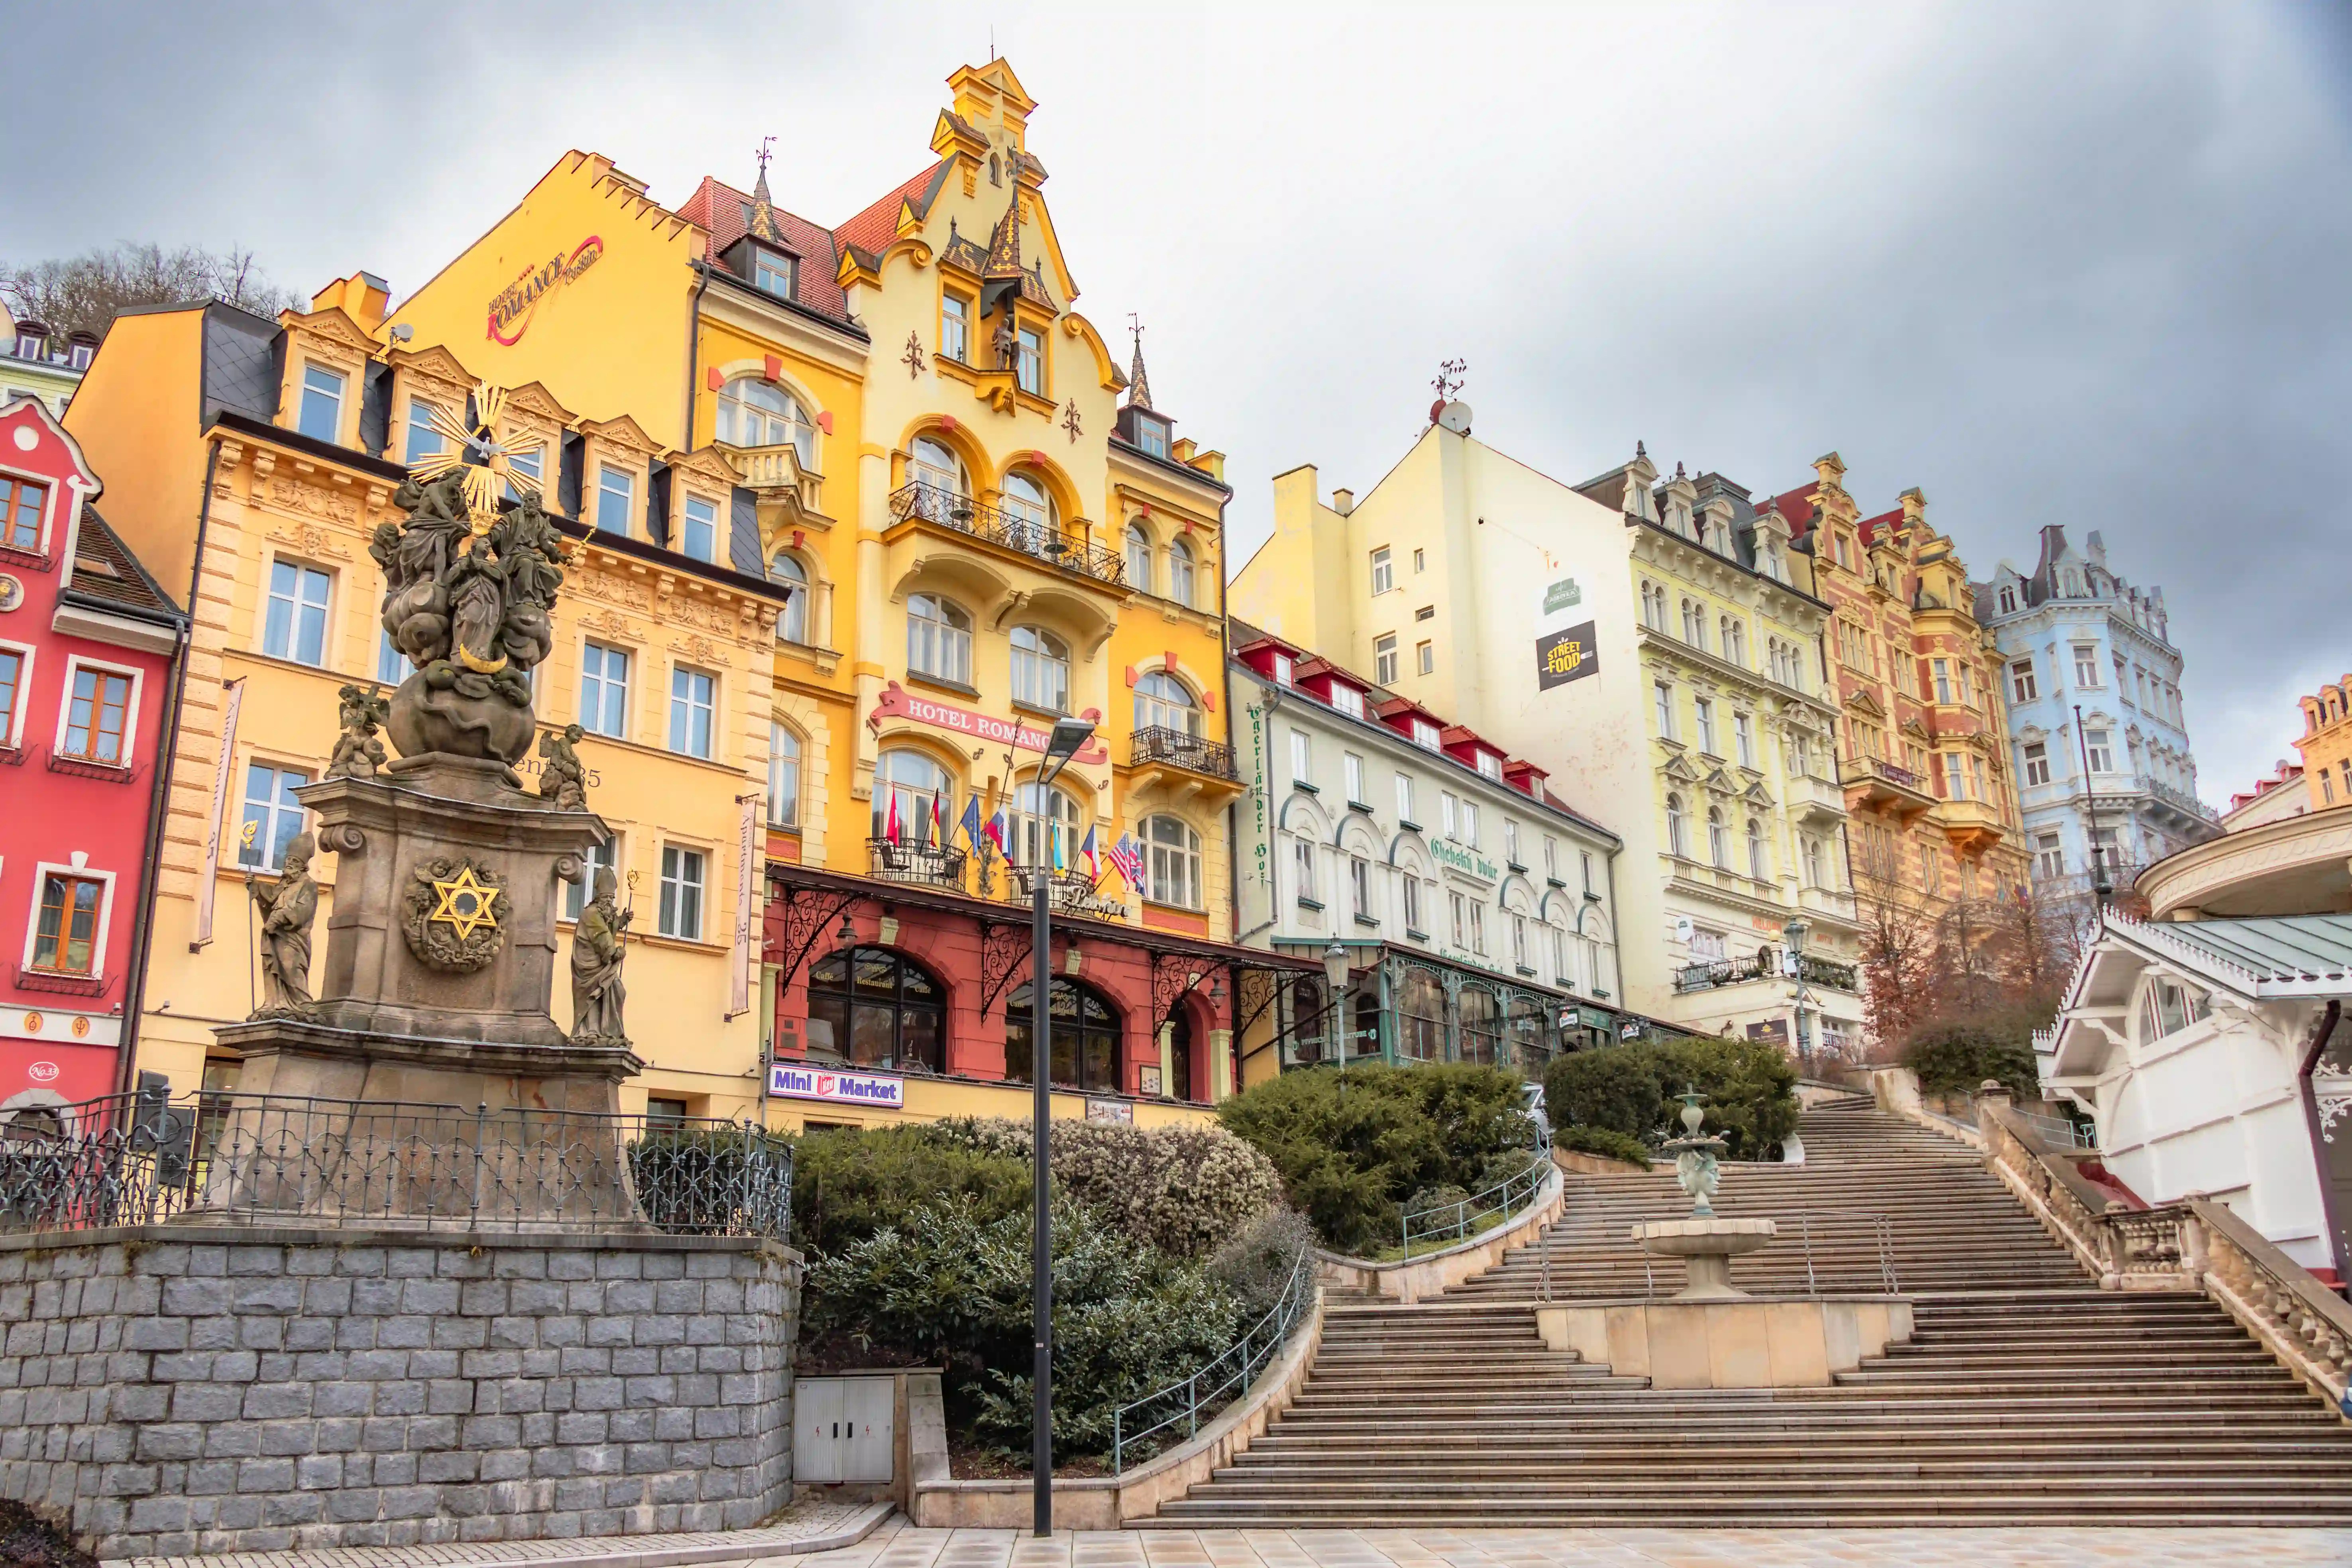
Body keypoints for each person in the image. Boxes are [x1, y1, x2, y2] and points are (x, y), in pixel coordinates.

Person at [248, 833, 319, 1017]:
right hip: (275, 936)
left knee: (292, 966)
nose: (289, 864)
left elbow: (303, 911)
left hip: (293, 937)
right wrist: (256, 886)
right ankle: (274, 1002)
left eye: (294, 861)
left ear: (303, 867)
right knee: (273, 968)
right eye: (288, 860)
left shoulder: (309, 885)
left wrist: (278, 918)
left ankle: (302, 1004)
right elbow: (271, 899)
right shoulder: (284, 885)